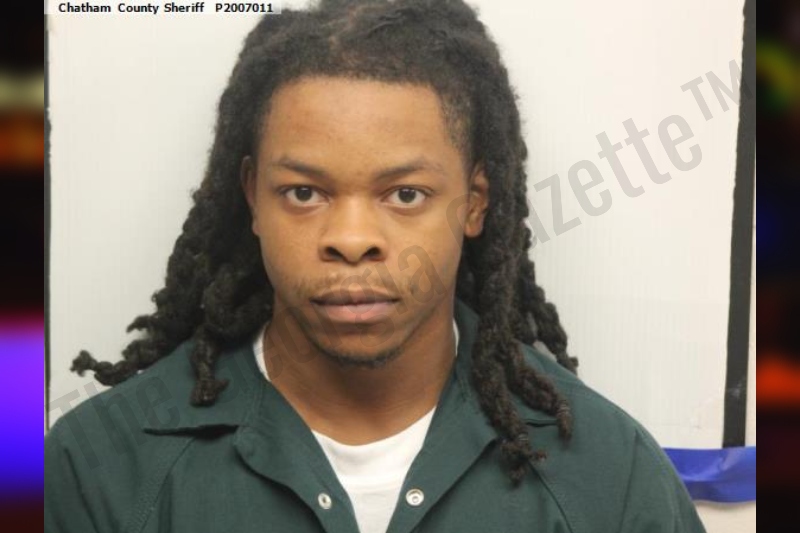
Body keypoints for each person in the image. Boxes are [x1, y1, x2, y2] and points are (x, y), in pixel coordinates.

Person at [45, 1, 707, 531]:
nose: (352, 239)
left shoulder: (610, 475)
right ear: (252, 198)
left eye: (405, 194)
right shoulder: (99, 467)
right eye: (304, 192)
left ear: (474, 203)